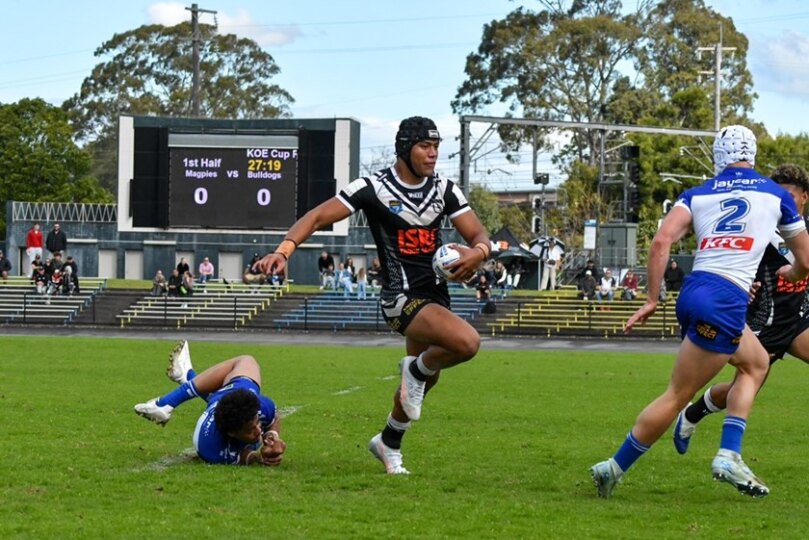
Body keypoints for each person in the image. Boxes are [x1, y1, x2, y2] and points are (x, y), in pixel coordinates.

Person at [254, 116, 491, 474]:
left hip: (436, 296)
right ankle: (416, 369)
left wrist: (479, 253)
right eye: (425, 147)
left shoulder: (444, 189)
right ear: (404, 149)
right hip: (400, 298)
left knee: (426, 380)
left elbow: (479, 234)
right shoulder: (373, 187)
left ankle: (389, 442)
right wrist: (283, 251)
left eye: (436, 147)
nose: (432, 154)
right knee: (467, 343)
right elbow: (318, 216)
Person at [590, 125, 809, 499]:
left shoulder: (697, 192)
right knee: (677, 394)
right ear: (752, 154)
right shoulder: (774, 194)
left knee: (755, 363)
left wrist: (651, 299)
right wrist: (795, 271)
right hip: (724, 300)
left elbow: (661, 242)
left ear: (717, 156)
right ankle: (616, 466)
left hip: (694, 291)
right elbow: (805, 258)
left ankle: (729, 451)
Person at [673, 164, 809, 454]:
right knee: (741, 390)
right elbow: (733, 263)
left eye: (791, 196)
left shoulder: (800, 233)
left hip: (797, 321)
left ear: (804, 198)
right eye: (780, 194)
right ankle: (692, 414)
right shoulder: (761, 227)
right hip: (765, 323)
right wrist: (744, 287)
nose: (785, 201)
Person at [134, 340, 286, 466]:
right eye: (249, 430)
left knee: (246, 361)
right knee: (245, 361)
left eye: (258, 423)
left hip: (230, 394)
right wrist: (258, 457)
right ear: (231, 433)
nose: (259, 431)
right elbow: (242, 456)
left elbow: (274, 418)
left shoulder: (259, 406)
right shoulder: (209, 446)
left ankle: (168, 401)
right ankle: (185, 377)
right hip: (219, 403)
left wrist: (273, 436)